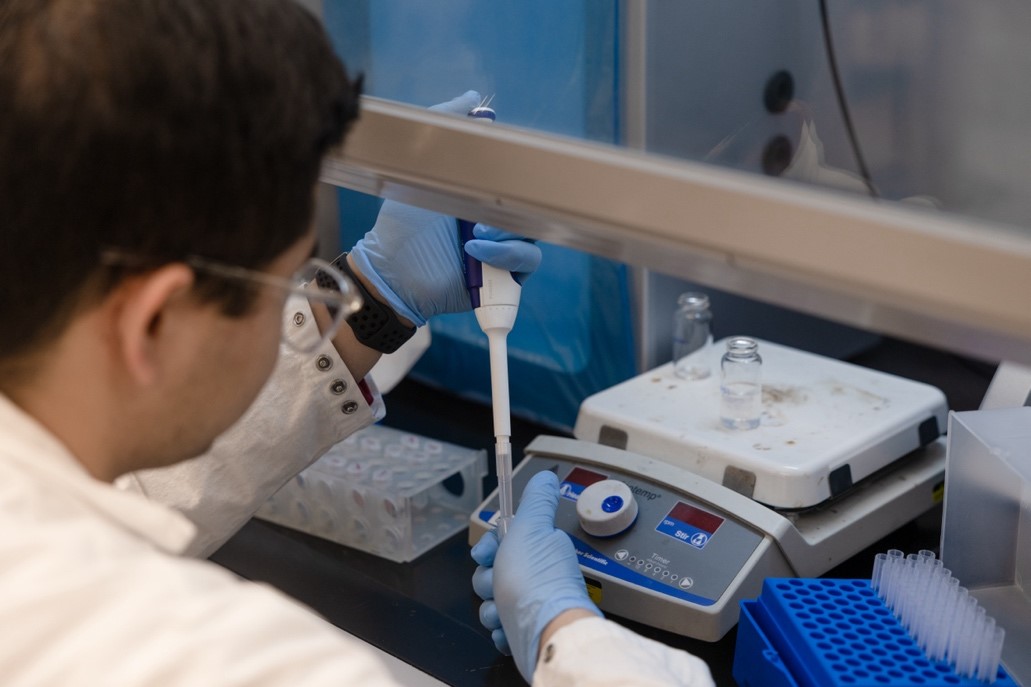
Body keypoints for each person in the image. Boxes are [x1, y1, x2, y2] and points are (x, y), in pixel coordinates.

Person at [0, 0, 715, 684]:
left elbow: (117, 492)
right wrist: (572, 638)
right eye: (290, 281)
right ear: (153, 323)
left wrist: (375, 297)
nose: (308, 297)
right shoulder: (231, 660)